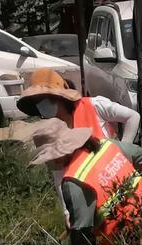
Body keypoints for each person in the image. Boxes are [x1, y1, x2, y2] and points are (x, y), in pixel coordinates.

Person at [17, 68, 142, 226]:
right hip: (88, 192)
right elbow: (59, 175)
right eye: (37, 103)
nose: (42, 106)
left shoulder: (94, 105)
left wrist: (123, 151)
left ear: (60, 96)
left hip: (114, 176)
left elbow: (133, 117)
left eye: (44, 100)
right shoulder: (53, 129)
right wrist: (67, 211)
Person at [31, 118, 142, 245]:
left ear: (57, 155)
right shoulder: (107, 144)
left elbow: (82, 237)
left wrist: (74, 230)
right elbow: (139, 155)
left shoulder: (74, 180)